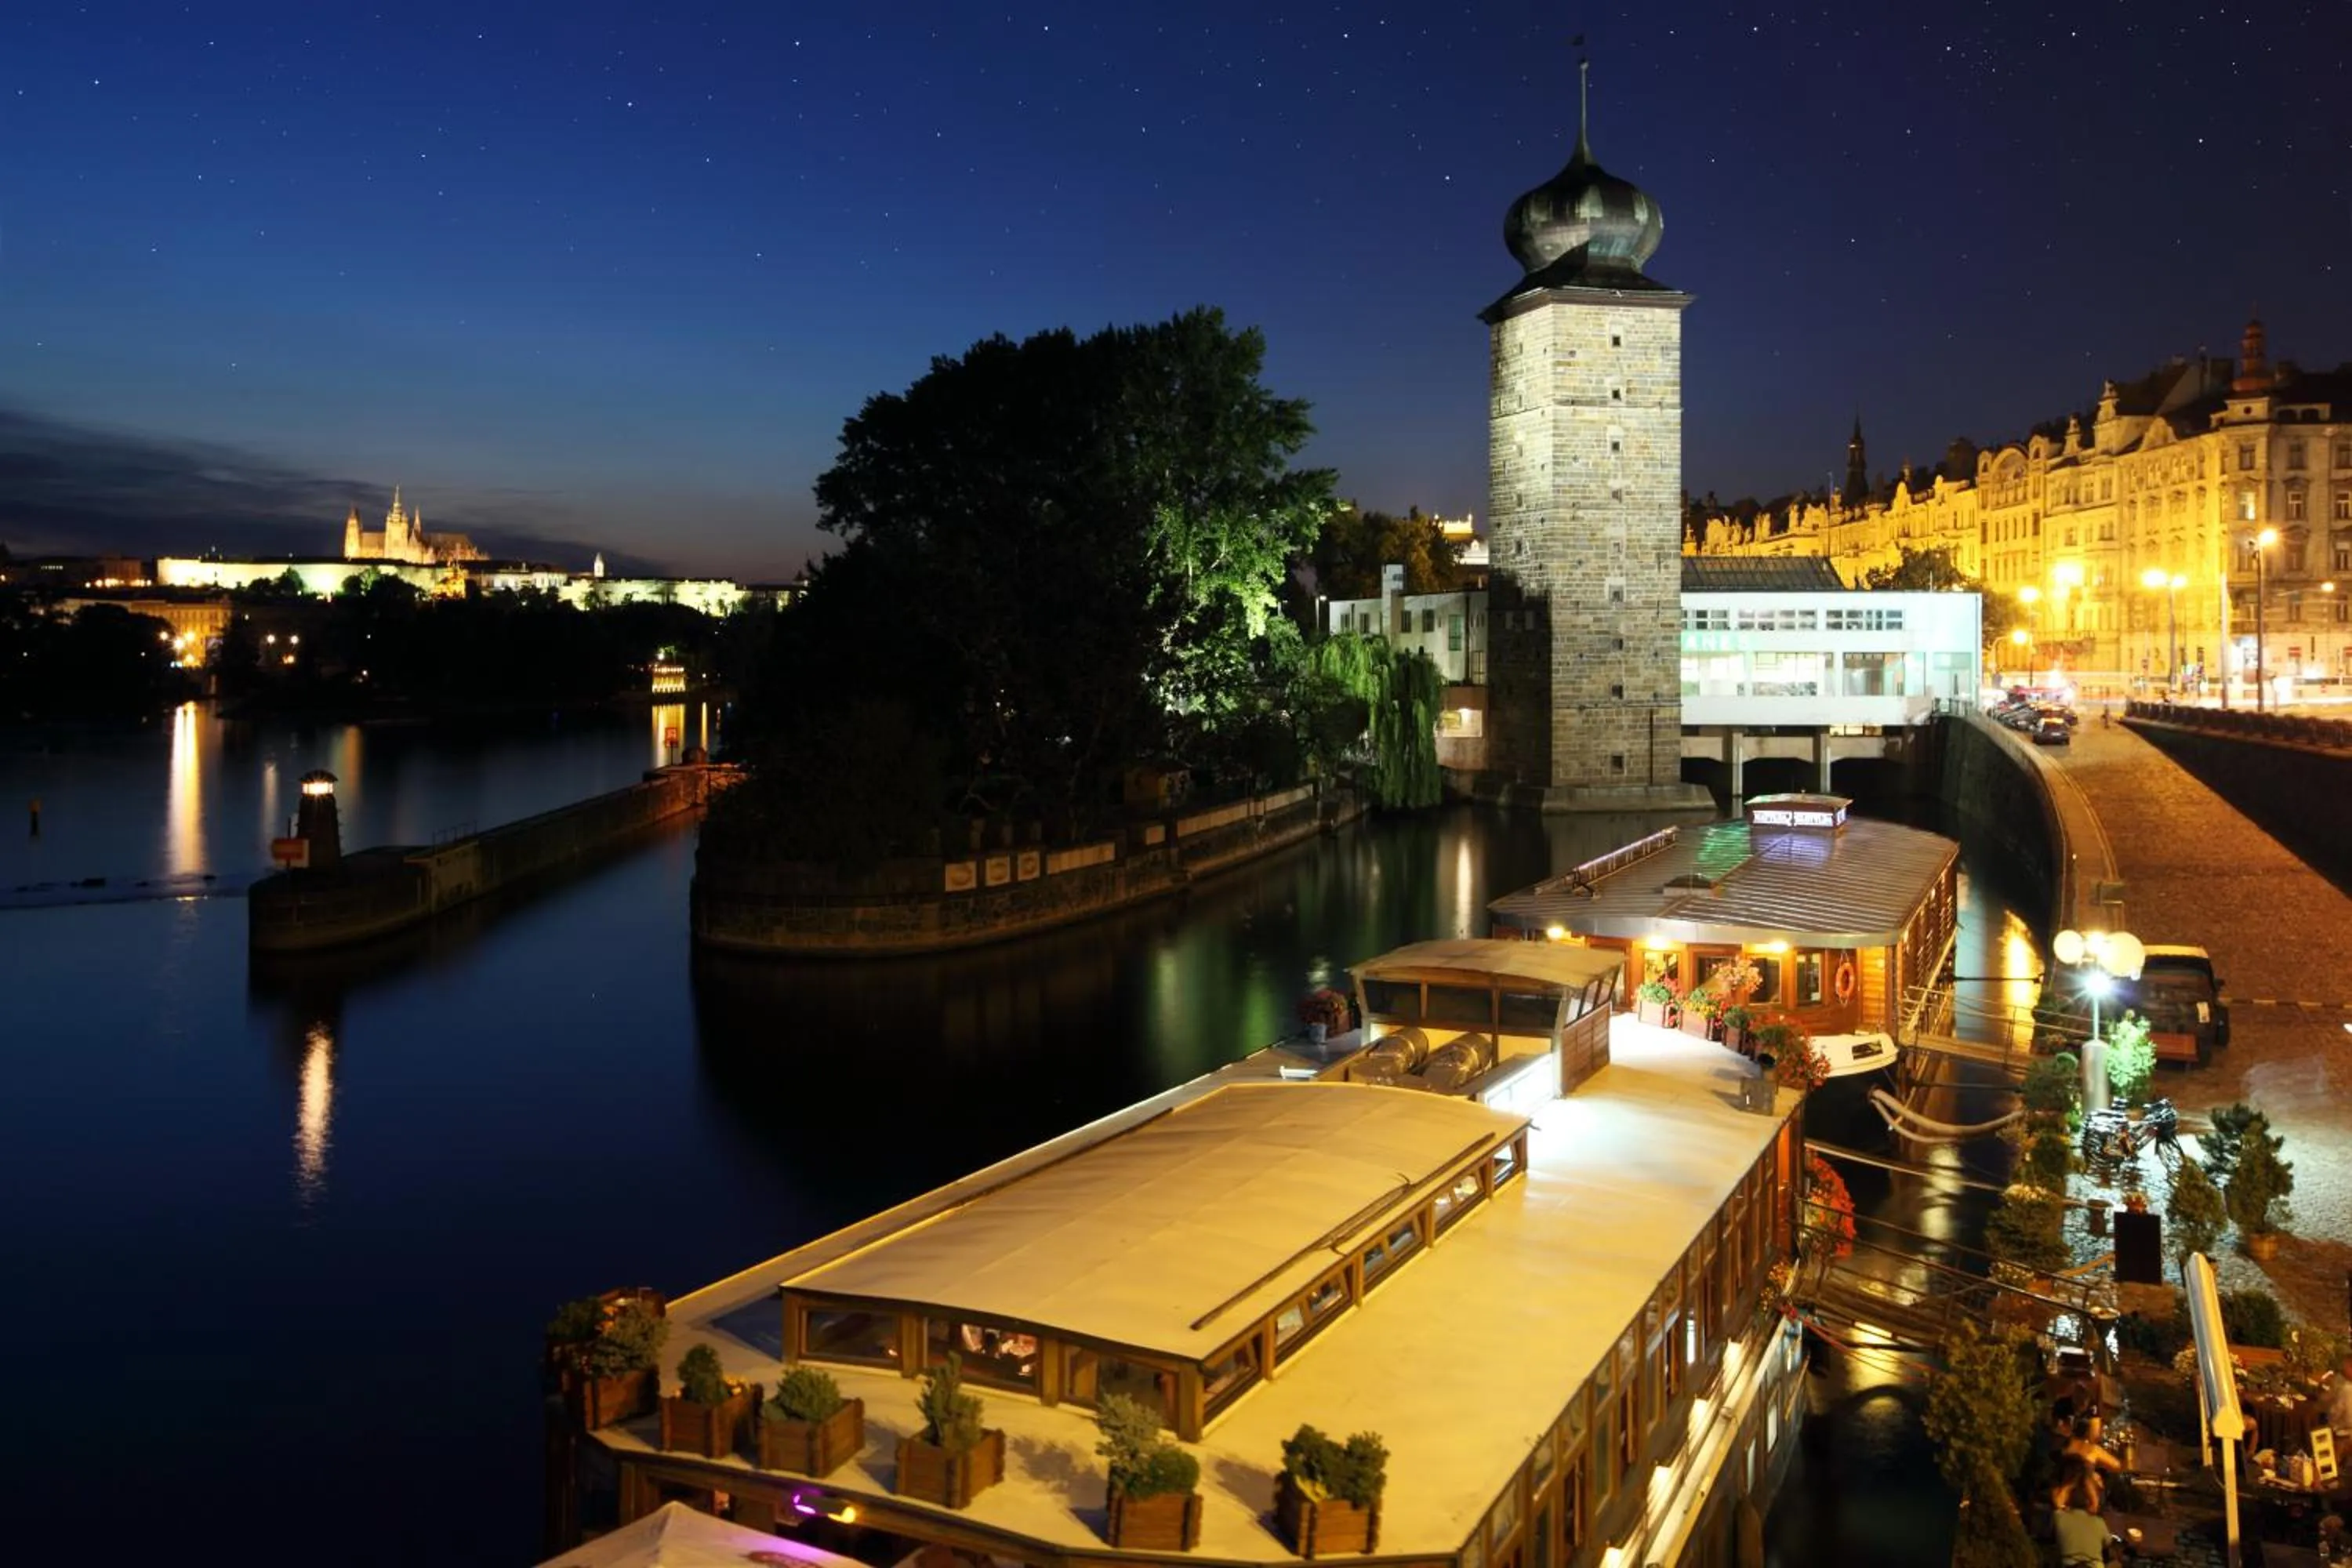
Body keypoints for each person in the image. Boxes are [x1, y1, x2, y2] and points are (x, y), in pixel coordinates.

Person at [2051, 1457, 2118, 1566]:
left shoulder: (2060, 1517)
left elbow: (2058, 1503)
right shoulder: (2098, 1522)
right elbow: (2108, 1542)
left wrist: (2072, 1484)